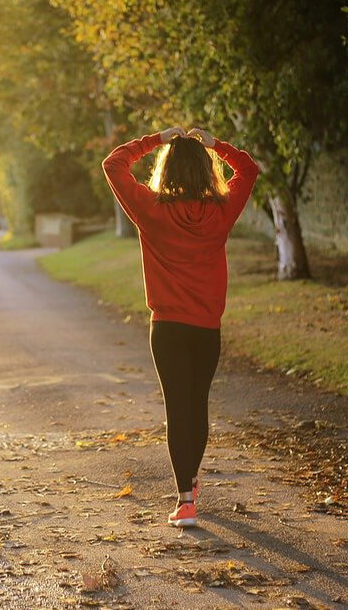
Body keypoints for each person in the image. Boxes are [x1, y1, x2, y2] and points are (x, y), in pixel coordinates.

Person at [101, 126, 260, 528]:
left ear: (166, 170)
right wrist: (216, 145)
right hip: (206, 328)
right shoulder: (221, 212)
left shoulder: (150, 209)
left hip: (168, 327)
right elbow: (249, 169)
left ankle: (185, 499)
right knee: (198, 404)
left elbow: (113, 164)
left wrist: (156, 139)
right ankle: (189, 482)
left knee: (178, 408)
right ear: (207, 171)